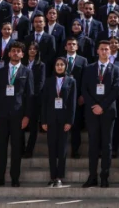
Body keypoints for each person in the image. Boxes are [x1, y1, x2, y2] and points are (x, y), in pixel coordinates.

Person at [0, 42, 33, 187]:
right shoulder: (0, 72)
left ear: (22, 54)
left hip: (18, 116)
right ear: (8, 54)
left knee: (16, 148)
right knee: (1, 148)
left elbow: (30, 96)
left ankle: (15, 178)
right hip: (1, 115)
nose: (15, 53)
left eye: (18, 51)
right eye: (13, 51)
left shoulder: (27, 72)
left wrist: (27, 116)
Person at [82, 40, 119, 188]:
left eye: (107, 49)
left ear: (110, 52)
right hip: (92, 111)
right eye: (102, 49)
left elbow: (116, 90)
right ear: (97, 51)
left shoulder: (115, 69)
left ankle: (104, 176)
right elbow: (84, 89)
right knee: (93, 144)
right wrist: (94, 105)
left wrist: (102, 106)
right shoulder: (89, 68)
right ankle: (92, 176)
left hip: (108, 111)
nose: (105, 51)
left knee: (107, 144)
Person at [41, 57, 77, 187]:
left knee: (62, 149)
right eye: (57, 64)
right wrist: (43, 120)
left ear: (66, 66)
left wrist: (70, 121)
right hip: (51, 119)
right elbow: (44, 102)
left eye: (62, 64)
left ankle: (59, 177)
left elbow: (72, 103)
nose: (60, 67)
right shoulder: (49, 81)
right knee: (52, 149)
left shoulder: (71, 81)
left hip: (64, 120)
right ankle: (52, 176)